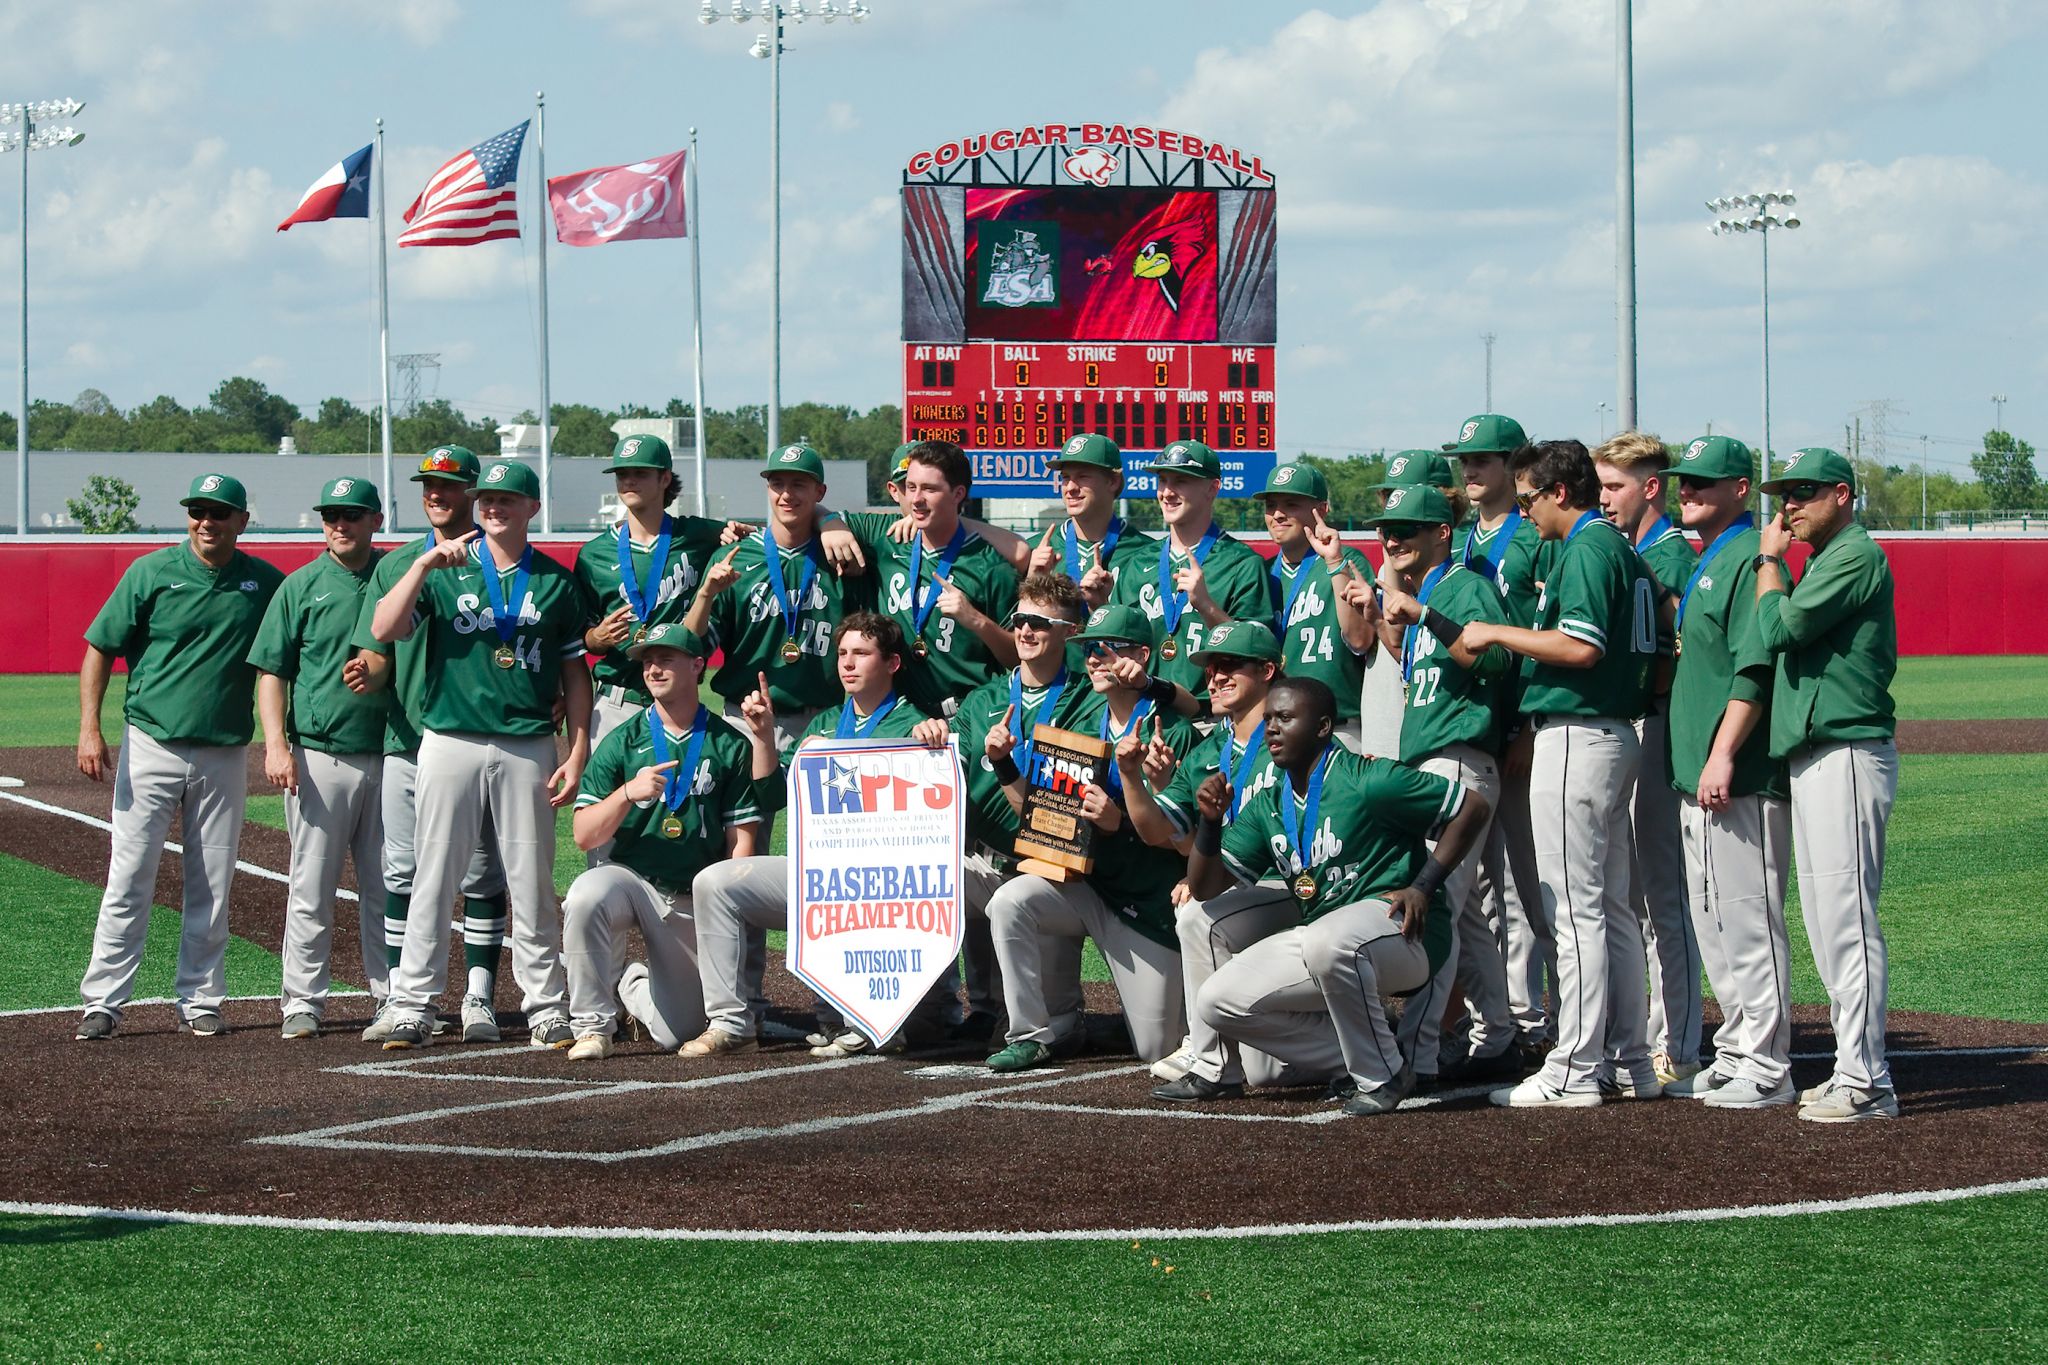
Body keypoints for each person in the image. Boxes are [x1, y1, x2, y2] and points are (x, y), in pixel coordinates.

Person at [1185, 677, 1491, 1116]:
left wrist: (1423, 885)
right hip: (1327, 938)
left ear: (1323, 727)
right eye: (1268, 719)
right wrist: (1210, 822)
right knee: (1217, 1001)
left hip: (1406, 933)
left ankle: (1383, 1074)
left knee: (1326, 939)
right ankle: (1373, 1050)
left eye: (1285, 717)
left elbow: (1473, 807)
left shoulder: (1368, 780)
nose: (1271, 728)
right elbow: (1205, 887)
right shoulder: (1270, 803)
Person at [1461, 440, 1661, 1107]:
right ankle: (1628, 1059)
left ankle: (1574, 1068)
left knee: (1575, 911)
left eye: (1529, 499)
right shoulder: (1617, 547)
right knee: (1611, 909)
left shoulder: (1588, 548)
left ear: (1560, 492)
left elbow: (1580, 646)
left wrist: (1495, 631)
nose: (1525, 512)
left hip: (1578, 730)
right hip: (1608, 731)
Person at [369, 459, 592, 1051]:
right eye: (486, 498)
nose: (493, 507)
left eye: (507, 499)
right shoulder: (445, 570)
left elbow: (576, 673)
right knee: (433, 876)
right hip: (450, 737)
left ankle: (545, 1006)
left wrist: (577, 750)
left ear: (532, 508)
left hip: (526, 741)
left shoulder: (555, 581)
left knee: (532, 880)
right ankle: (413, 1004)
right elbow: (384, 628)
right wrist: (422, 565)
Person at [74, 474, 285, 1041]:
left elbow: (290, 653)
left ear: (242, 520)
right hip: (151, 741)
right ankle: (103, 1001)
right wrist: (90, 728)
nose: (206, 521)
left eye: (219, 512)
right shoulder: (151, 571)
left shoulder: (265, 582)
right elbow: (100, 647)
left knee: (212, 881)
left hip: (224, 750)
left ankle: (201, 998)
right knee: (129, 876)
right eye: (197, 511)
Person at [686, 611, 946, 1058]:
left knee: (865, 885)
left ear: (892, 664)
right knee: (715, 882)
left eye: (861, 653)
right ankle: (731, 1022)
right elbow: (772, 794)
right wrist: (763, 736)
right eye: (842, 653)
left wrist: (936, 736)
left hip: (884, 885)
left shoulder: (914, 725)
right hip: (821, 877)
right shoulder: (825, 724)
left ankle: (872, 1016)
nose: (848, 663)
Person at [978, 603, 1192, 1074]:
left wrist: (1121, 821)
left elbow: (1184, 838)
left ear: (1141, 655)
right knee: (1009, 901)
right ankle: (1029, 1034)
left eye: (1109, 648)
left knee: (1157, 1047)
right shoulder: (1078, 724)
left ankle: (1134, 1020)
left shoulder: (1169, 730)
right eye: (1089, 648)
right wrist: (1004, 765)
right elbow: (1037, 814)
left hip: (1146, 903)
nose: (1094, 658)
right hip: (1085, 887)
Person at [1754, 447, 1901, 1123]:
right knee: (1824, 920)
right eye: (1784, 494)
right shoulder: (1824, 558)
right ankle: (1852, 1068)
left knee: (1846, 920)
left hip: (1847, 750)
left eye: (1803, 492)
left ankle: (1868, 1080)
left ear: (1842, 494)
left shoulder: (1853, 554)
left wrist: (1769, 562)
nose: (1789, 505)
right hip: (1817, 753)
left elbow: (1779, 626)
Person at [348, 446, 513, 1044]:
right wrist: (368, 670)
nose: (436, 494)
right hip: (409, 737)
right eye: (428, 485)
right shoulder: (399, 565)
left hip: (480, 738)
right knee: (402, 870)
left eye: (449, 485)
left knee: (481, 873)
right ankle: (402, 997)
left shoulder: (503, 558)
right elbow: (376, 648)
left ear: (474, 492)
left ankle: (478, 997)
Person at [1658, 435, 1795, 1109]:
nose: (1687, 491)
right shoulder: (1710, 557)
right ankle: (1738, 1049)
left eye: (1703, 482)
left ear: (1741, 489)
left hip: (1736, 774)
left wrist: (1723, 752)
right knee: (1713, 920)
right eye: (1683, 481)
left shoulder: (1746, 558)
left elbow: (1756, 666)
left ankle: (1767, 1065)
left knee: (1748, 918)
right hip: (1699, 774)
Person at [1368, 484, 1520, 1090]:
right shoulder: (1424, 593)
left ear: (1442, 532)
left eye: (1407, 527)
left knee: (1434, 908)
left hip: (1458, 761)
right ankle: (1499, 1035)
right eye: (1387, 529)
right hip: (1436, 761)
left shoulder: (1464, 587)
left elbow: (1498, 662)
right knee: (1468, 916)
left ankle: (1418, 1053)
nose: (1393, 538)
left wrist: (1426, 615)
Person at [562, 624, 770, 1059]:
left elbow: (741, 847)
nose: (653, 669)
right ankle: (592, 1027)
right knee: (584, 895)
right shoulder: (623, 740)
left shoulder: (729, 743)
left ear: (697, 666)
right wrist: (626, 793)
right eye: (648, 661)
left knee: (679, 1033)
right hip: (632, 882)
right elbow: (584, 834)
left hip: (693, 895)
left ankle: (632, 983)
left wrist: (725, 913)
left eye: (666, 659)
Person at [918, 573, 1106, 1043]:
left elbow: (1063, 813)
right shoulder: (983, 699)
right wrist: (926, 735)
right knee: (916, 877)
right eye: (1020, 619)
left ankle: (1040, 1016)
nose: (1024, 630)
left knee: (1062, 1027)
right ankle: (924, 1008)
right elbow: (943, 775)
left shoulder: (1089, 701)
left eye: (1040, 623)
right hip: (987, 861)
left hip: (1054, 869)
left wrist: (1006, 764)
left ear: (1071, 631)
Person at [1117, 620, 1298, 1099]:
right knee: (1266, 1072)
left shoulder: (1293, 733)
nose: (1214, 677)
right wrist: (1132, 776)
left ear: (1267, 671)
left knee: (1200, 912)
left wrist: (1209, 882)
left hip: (1294, 887)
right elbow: (1156, 829)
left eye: (1229, 665)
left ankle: (1210, 1060)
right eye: (1210, 667)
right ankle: (1357, 1043)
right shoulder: (1212, 748)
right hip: (1243, 890)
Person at [249, 477, 390, 1040]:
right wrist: (276, 745)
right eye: (332, 515)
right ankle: (302, 1000)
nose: (340, 524)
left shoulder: (397, 576)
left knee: (387, 888)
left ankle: (392, 997)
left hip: (392, 755)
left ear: (376, 520)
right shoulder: (301, 585)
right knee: (311, 887)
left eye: (352, 515)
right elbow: (272, 671)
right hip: (321, 754)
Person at [1595, 429, 1702, 1084]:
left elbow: (1683, 653)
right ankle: (1639, 1037)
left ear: (1652, 487)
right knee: (1629, 897)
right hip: (1634, 724)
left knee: (1663, 894)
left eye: (1615, 485)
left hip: (1663, 725)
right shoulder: (1626, 550)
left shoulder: (1673, 556)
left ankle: (1677, 1045)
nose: (1604, 497)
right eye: (1600, 485)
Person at [1448, 414, 1557, 1059]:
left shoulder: (1533, 536)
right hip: (1476, 723)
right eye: (1465, 458)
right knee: (1485, 888)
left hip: (1518, 723)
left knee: (1526, 885)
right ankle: (1501, 1019)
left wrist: (1527, 727)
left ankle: (1536, 1018)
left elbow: (1545, 636)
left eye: (1484, 458)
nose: (1471, 468)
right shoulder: (1467, 539)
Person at [684, 442, 870, 751]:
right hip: (745, 717)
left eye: (798, 484)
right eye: (777, 484)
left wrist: (831, 520)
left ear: (820, 492)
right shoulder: (735, 556)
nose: (786, 494)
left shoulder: (840, 555)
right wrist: (705, 594)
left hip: (822, 721)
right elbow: (693, 646)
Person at [835, 439, 1019, 718]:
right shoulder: (887, 544)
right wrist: (828, 526)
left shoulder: (989, 566)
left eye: (929, 489)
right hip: (899, 717)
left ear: (958, 494)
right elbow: (808, 513)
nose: (916, 499)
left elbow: (1019, 656)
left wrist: (977, 621)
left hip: (966, 716)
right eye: (911, 487)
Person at [574, 435, 734, 754]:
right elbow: (580, 638)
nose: (629, 480)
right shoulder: (594, 555)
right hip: (617, 702)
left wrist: (826, 520)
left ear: (665, 478)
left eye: (641, 473)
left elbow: (766, 535)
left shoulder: (701, 536)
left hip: (679, 702)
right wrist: (596, 637)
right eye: (622, 474)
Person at [1119, 439, 1280, 705]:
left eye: (1181, 481)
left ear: (1212, 488)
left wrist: (1206, 605)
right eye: (1162, 480)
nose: (1167, 492)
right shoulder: (1137, 563)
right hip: (1143, 710)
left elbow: (1256, 657)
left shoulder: (1243, 563)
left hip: (1211, 715)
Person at [1255, 462, 1375, 750]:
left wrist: (1334, 564)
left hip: (1336, 727)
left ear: (1321, 510)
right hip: (1274, 728)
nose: (1278, 514)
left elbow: (1361, 639)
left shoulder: (1347, 562)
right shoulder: (1262, 573)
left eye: (1291, 504)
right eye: (1271, 505)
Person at [1024, 433, 1156, 608]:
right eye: (1065, 477)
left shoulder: (1147, 553)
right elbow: (1010, 625)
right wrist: (1032, 582)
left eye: (1083, 476)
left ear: (1113, 481)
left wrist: (1101, 606)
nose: (1071, 487)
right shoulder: (1034, 552)